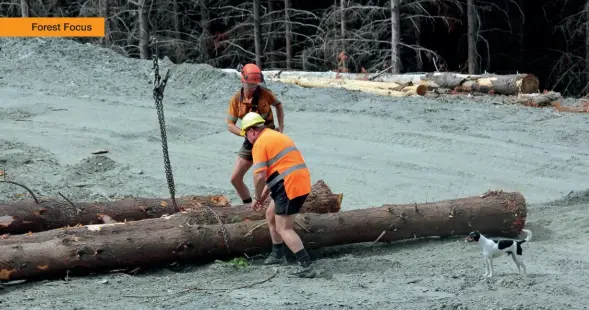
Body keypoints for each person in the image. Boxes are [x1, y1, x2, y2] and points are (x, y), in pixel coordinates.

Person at [240, 111, 318, 278]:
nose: (246, 139)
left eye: (246, 134)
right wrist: (262, 198)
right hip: (296, 181)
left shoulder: (260, 144)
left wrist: (256, 196)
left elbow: (259, 175)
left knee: (284, 228)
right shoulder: (274, 136)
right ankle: (278, 254)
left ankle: (306, 265)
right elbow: (275, 175)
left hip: (289, 186)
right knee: (270, 214)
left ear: (252, 131)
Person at [226, 63, 285, 204]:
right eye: (250, 85)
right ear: (242, 81)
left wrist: (281, 127)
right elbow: (230, 124)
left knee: (267, 177)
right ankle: (248, 206)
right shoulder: (236, 100)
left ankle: (267, 206)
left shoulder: (264, 93)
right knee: (235, 179)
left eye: (255, 85)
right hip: (250, 139)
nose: (253, 88)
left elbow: (278, 105)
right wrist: (243, 134)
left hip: (268, 139)